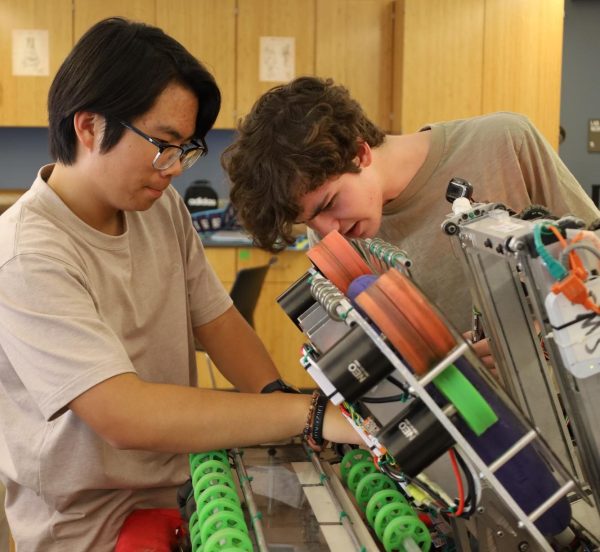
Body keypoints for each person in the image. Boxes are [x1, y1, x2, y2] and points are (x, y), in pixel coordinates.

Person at [0, 20, 360, 551]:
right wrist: (307, 414)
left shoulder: (157, 206)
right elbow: (125, 414)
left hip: (184, 484)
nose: (172, 168)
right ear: (89, 126)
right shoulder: (26, 255)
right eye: (161, 144)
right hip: (90, 527)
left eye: (185, 150)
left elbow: (216, 320)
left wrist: (281, 406)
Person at [223, 76, 600, 333]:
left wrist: (532, 339)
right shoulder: (333, 234)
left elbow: (593, 258)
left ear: (360, 152)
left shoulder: (503, 143)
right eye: (310, 220)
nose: (328, 231)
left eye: (329, 204)